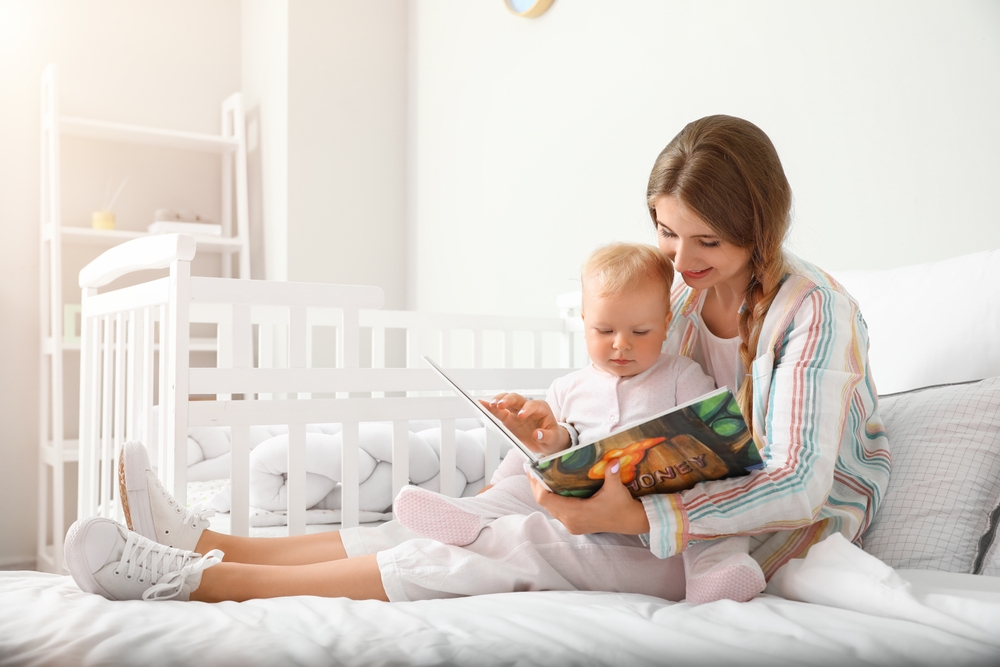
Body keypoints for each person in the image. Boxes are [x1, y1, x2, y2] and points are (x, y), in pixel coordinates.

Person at [62, 114, 890, 607]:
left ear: (763, 227)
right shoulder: (676, 293)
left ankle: (200, 584)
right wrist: (554, 430)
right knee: (482, 504)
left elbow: (797, 483)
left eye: (707, 241)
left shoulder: (812, 312)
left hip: (767, 536)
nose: (681, 259)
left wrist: (633, 518)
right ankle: (205, 537)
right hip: (659, 503)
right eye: (667, 232)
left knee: (514, 545)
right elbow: (638, 408)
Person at [392, 241, 769, 603]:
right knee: (527, 482)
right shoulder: (566, 388)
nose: (621, 344)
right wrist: (503, 479)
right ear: (585, 321)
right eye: (605, 331)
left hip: (660, 508)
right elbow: (542, 449)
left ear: (666, 322)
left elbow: (714, 437)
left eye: (641, 332)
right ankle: (470, 514)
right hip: (583, 501)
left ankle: (718, 573)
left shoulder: (681, 375)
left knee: (714, 506)